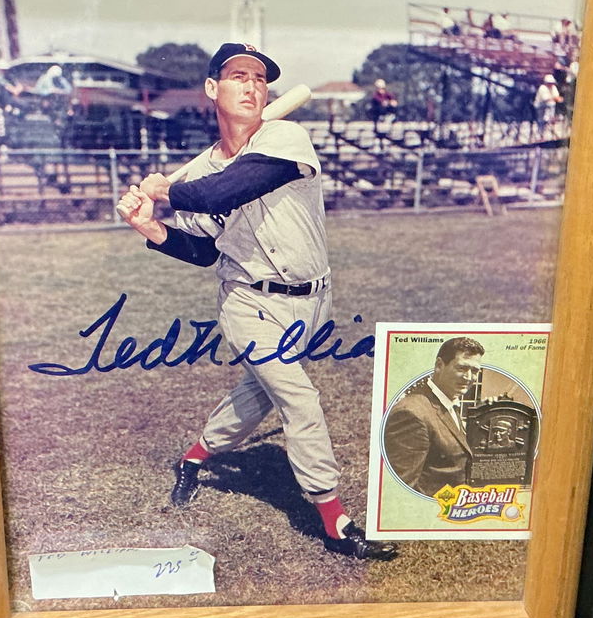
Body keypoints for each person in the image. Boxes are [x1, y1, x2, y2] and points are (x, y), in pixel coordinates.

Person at [116, 42, 396, 561]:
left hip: (314, 300)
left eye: (259, 78)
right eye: (237, 76)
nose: (251, 86)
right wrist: (152, 227)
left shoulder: (285, 136)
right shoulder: (202, 170)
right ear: (211, 89)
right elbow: (202, 250)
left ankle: (195, 456)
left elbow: (229, 191)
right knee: (299, 399)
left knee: (259, 394)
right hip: (248, 302)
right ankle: (335, 519)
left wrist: (164, 193)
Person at [382, 336, 485, 497]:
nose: (469, 377)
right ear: (439, 365)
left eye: (475, 371)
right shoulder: (411, 413)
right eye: (462, 368)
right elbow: (401, 490)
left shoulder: (449, 402)